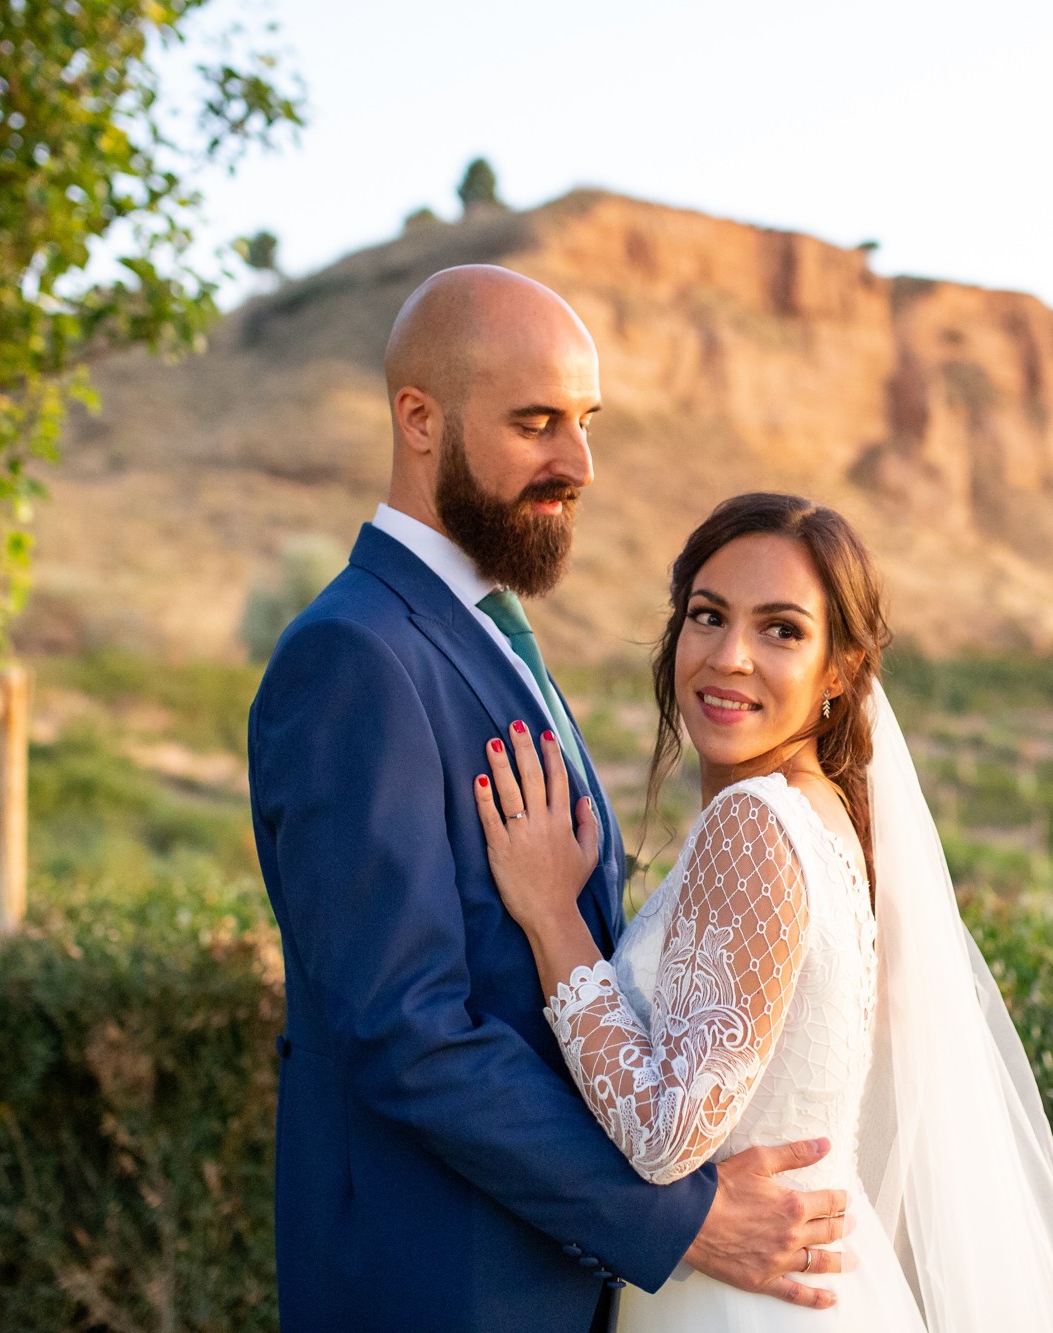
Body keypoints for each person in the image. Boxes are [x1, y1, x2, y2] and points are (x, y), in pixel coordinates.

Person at [248, 268, 846, 1333]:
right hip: (437, 1283)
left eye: (583, 422)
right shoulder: (354, 656)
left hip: (548, 1278)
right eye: (535, 424)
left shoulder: (489, 628)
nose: (576, 463)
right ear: (419, 419)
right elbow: (403, 1030)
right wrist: (678, 1221)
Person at [475, 492, 1053, 1330]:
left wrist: (551, 916)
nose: (730, 655)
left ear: (840, 671)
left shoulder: (756, 822)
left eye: (781, 629)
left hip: (741, 1303)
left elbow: (667, 1134)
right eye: (708, 616)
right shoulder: (822, 816)